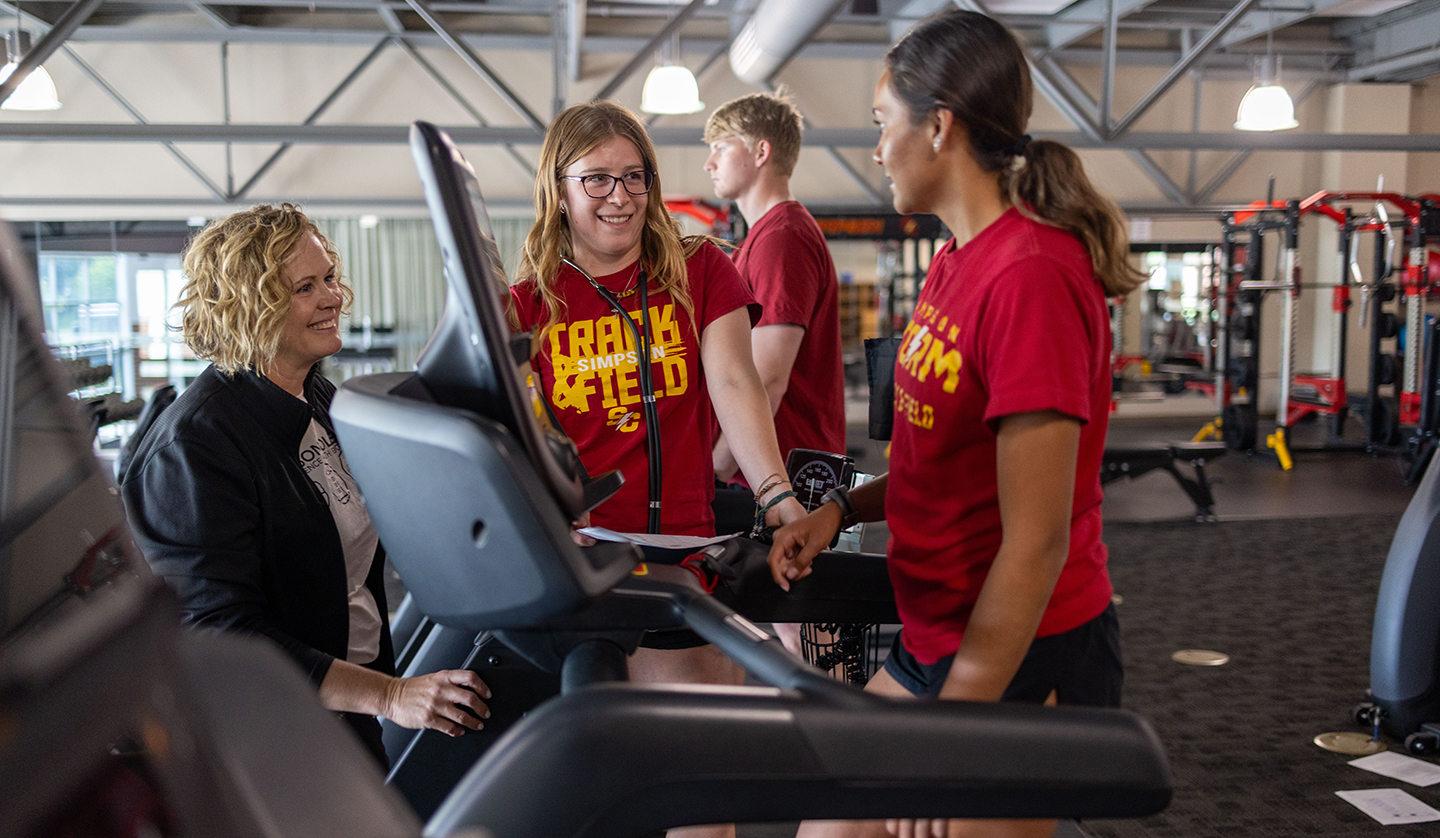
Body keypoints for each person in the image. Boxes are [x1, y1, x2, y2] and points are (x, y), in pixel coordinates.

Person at [766, 10, 1146, 838]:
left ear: (939, 126)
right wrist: (842, 512)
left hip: (1022, 644)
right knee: (827, 825)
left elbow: (1037, 539)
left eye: (880, 125)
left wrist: (954, 736)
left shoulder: (1033, 276)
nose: (874, 150)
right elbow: (946, 460)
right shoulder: (954, 260)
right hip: (940, 633)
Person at [510, 100, 806, 838]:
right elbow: (510, 441)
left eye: (635, 176)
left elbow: (737, 385)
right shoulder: (526, 306)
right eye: (598, 179)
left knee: (703, 796)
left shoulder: (700, 268)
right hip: (587, 567)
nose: (621, 195)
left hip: (681, 561)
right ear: (559, 188)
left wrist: (775, 495)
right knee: (603, 797)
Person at [122, 205, 491, 768]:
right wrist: (391, 696)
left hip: (345, 711)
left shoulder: (316, 398)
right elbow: (221, 637)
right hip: (268, 738)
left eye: (329, 278)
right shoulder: (195, 448)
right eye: (304, 287)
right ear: (250, 306)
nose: (333, 297)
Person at [703, 91, 845, 482]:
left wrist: (716, 470)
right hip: (765, 471)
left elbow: (767, 377)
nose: (709, 162)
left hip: (775, 476)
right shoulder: (762, 239)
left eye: (721, 147)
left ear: (761, 151)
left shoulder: (782, 238)